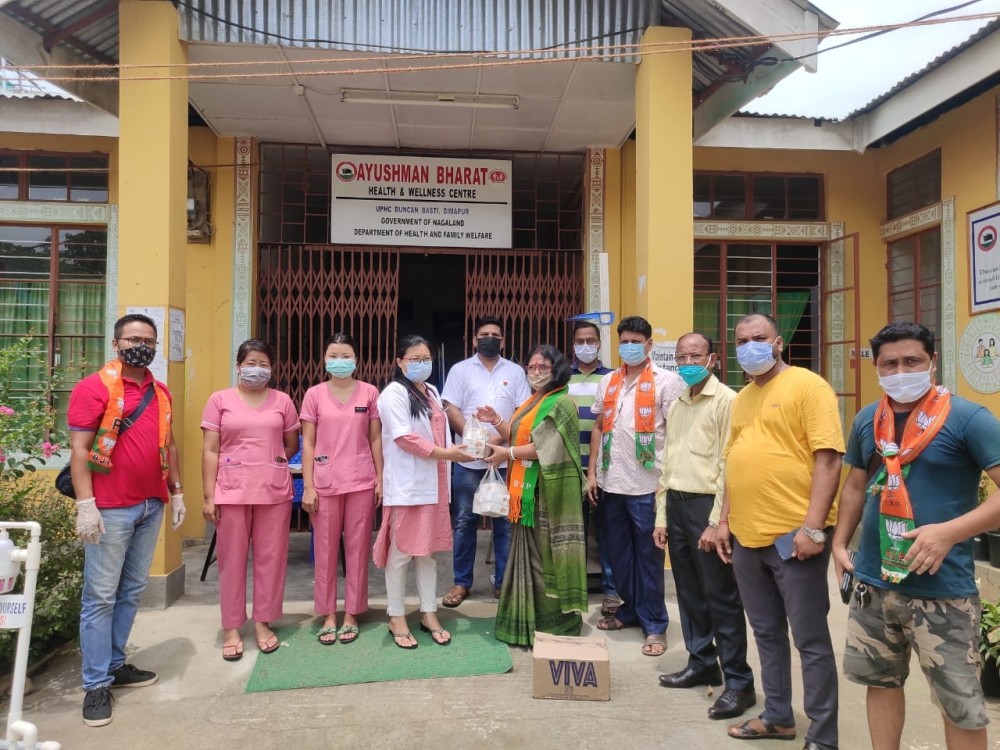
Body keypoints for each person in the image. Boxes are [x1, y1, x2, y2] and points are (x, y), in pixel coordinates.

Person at [832, 321, 1000, 750]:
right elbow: (854, 485)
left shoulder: (969, 419)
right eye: (890, 363)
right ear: (877, 368)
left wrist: (950, 532)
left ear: (932, 362)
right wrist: (838, 542)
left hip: (942, 589)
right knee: (880, 683)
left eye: (912, 361)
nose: (900, 370)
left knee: (958, 700)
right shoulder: (870, 419)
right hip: (874, 581)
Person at [715, 313, 843, 749]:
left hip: (795, 538)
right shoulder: (744, 397)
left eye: (759, 338)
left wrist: (814, 528)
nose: (750, 346)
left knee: (810, 640)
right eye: (742, 340)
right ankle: (778, 717)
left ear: (779, 342)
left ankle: (823, 738)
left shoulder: (809, 386)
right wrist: (724, 523)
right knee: (766, 633)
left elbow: (828, 458)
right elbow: (734, 462)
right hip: (748, 538)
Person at [68, 313, 185, 728]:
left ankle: (116, 664)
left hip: (150, 504)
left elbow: (168, 444)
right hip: (110, 507)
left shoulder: (160, 391)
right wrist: (86, 504)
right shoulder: (93, 388)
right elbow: (80, 449)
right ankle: (95, 684)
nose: (142, 345)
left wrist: (177, 490)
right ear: (116, 343)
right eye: (134, 338)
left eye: (149, 340)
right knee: (100, 595)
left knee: (131, 589)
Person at [653, 332, 755, 720]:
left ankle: (739, 683)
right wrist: (662, 516)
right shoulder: (678, 401)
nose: (687, 362)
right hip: (677, 505)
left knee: (721, 597)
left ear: (712, 358)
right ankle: (701, 663)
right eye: (681, 357)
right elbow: (670, 462)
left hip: (707, 510)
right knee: (689, 593)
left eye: (695, 355)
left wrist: (717, 521)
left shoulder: (727, 401)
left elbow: (730, 465)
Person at [587, 315, 685, 656]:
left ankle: (655, 625)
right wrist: (591, 473)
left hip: (648, 486)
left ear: (648, 345)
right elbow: (600, 426)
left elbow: (676, 434)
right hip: (611, 483)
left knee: (649, 559)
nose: (629, 346)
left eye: (635, 341)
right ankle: (629, 611)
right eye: (624, 340)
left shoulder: (667, 382)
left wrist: (670, 483)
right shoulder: (609, 382)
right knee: (619, 557)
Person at [479, 344, 587, 645]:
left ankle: (554, 622)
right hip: (526, 493)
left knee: (546, 558)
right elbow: (518, 433)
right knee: (527, 555)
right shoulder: (533, 400)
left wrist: (506, 453)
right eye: (532, 366)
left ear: (557, 370)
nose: (535, 371)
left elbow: (545, 447)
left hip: (547, 494)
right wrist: (496, 421)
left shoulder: (562, 403)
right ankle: (522, 617)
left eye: (543, 367)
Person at [201, 339, 300, 662]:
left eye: (263, 363)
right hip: (231, 491)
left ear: (272, 367)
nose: (257, 369)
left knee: (271, 558)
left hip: (272, 490)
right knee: (231, 560)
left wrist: (269, 463)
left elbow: (290, 444)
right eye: (251, 363)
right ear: (239, 365)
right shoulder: (219, 400)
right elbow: (211, 449)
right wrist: (208, 495)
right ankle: (231, 626)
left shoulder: (282, 401)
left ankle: (262, 622)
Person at [374, 335, 475, 648]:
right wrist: (448, 455)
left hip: (433, 486)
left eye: (425, 358)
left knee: (427, 554)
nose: (421, 363)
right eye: (414, 358)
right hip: (408, 488)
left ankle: (429, 612)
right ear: (400, 362)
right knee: (401, 552)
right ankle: (396, 615)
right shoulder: (393, 393)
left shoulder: (431, 391)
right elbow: (404, 438)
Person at [440, 315, 530, 607]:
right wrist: (474, 442)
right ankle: (461, 583)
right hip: (467, 460)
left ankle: (503, 583)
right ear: (475, 338)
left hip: (505, 461)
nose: (489, 338)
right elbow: (450, 408)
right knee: (465, 522)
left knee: (504, 523)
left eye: (495, 334)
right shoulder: (460, 370)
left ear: (502, 340)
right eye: (484, 334)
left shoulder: (515, 372)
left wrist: (501, 445)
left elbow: (520, 413)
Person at [300, 332, 383, 645]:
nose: (339, 361)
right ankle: (328, 614)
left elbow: (375, 438)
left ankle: (352, 612)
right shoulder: (315, 395)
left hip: (361, 481)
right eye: (332, 355)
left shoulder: (369, 393)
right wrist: (308, 485)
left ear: (356, 358)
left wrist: (380, 479)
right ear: (324, 359)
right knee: (324, 550)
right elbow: (307, 441)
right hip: (325, 483)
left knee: (358, 548)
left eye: (345, 355)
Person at [568, 319, 620, 617]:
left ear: (599, 343)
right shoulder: (563, 378)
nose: (585, 346)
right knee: (573, 534)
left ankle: (612, 592)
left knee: (606, 533)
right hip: (570, 466)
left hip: (603, 468)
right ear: (573, 344)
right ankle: (574, 593)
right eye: (580, 341)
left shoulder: (613, 377)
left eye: (591, 340)